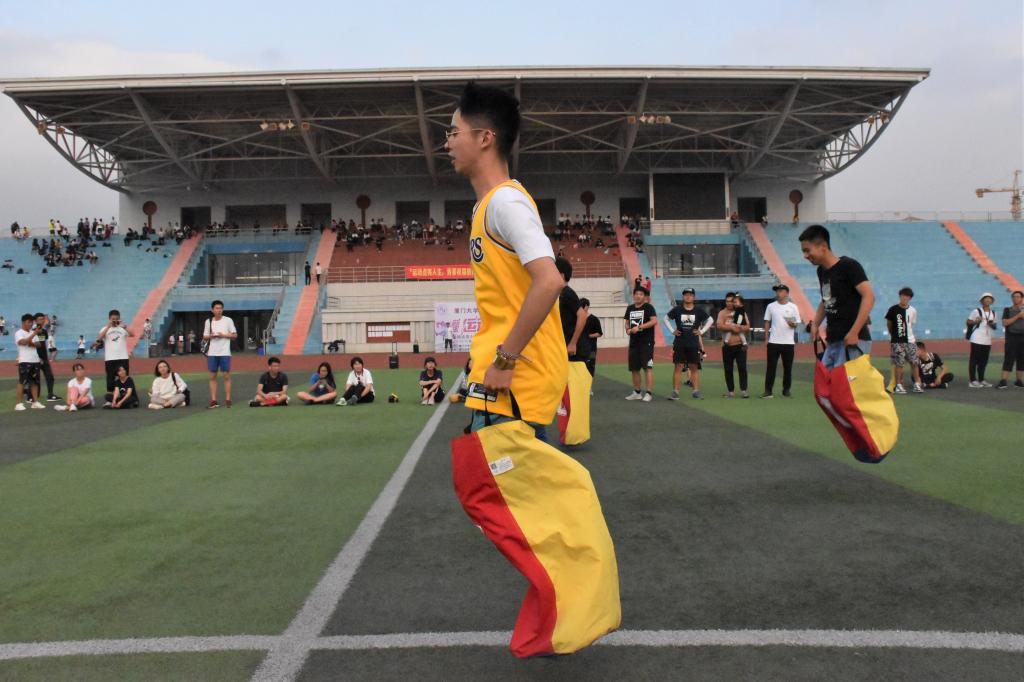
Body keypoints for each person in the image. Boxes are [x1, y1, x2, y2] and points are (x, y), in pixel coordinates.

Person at [799, 224, 875, 370]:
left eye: (807, 250)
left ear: (823, 246)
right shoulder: (821, 271)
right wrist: (815, 324)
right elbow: (826, 300)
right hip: (833, 341)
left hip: (853, 340)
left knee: (847, 384)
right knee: (825, 383)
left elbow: (869, 296)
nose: (805, 256)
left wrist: (854, 332)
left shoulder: (849, 266)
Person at [665, 287, 711, 400]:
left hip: (693, 344)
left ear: (694, 297)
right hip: (679, 343)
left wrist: (702, 331)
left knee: (693, 367)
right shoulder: (677, 309)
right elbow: (665, 319)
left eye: (690, 295)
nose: (688, 296)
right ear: (683, 296)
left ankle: (696, 391)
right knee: (678, 367)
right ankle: (675, 392)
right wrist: (672, 331)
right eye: (686, 295)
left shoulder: (698, 310)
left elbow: (710, 320)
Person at [762, 284, 801, 398]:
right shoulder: (771, 306)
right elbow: (767, 321)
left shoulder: (793, 307)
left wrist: (793, 324)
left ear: (786, 293)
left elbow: (797, 323)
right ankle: (768, 391)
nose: (778, 293)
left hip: (788, 342)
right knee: (771, 367)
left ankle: (786, 390)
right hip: (774, 341)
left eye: (780, 291)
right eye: (777, 291)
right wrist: (766, 338)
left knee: (788, 368)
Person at [885, 287, 923, 394]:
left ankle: (917, 384)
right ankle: (898, 385)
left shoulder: (913, 310)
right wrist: (893, 335)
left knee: (914, 362)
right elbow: (889, 324)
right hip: (897, 340)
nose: (904, 298)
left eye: (907, 296)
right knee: (899, 363)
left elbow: (911, 324)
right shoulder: (893, 309)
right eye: (903, 296)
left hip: (910, 340)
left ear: (910, 298)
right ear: (900, 296)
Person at [624, 286, 657, 401]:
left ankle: (648, 393)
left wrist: (639, 327)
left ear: (644, 297)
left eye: (641, 294)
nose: (638, 296)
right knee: (634, 368)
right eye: (636, 294)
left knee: (647, 368)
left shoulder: (649, 307)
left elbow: (654, 321)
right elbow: (627, 323)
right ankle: (637, 392)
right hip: (634, 343)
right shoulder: (630, 308)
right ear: (633, 295)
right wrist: (628, 330)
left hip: (646, 343)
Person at [94, 309, 133, 405]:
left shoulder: (122, 329)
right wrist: (108, 326)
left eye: (117, 318)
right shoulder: (105, 329)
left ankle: (125, 398)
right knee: (110, 379)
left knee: (124, 378)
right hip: (110, 358)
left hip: (123, 357)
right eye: (113, 319)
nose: (115, 320)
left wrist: (124, 326)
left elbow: (133, 334)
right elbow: (99, 339)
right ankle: (110, 400)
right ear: (109, 319)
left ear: (119, 318)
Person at [203, 299, 238, 408]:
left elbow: (234, 335)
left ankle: (228, 398)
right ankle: (214, 400)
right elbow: (205, 336)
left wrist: (223, 335)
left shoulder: (228, 320)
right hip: (212, 352)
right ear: (212, 310)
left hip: (224, 352)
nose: (219, 310)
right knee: (212, 376)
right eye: (217, 308)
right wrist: (211, 336)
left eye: (220, 308)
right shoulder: (208, 321)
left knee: (226, 375)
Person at [719, 293, 751, 398]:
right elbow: (719, 325)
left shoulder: (741, 311)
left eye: (731, 301)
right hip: (727, 346)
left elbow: (747, 326)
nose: (729, 303)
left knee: (742, 368)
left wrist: (740, 328)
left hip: (740, 345)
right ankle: (731, 391)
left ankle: (744, 390)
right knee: (728, 369)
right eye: (727, 301)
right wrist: (731, 328)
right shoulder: (722, 313)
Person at [555, 257, 587, 359]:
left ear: (561, 275)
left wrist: (573, 343)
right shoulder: (559, 294)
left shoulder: (567, 293)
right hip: (561, 344)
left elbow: (582, 316)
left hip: (570, 348)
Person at [966, 293, 998, 388]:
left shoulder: (993, 313)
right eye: (986, 298)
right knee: (974, 359)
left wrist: (992, 324)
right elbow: (968, 322)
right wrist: (976, 321)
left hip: (987, 339)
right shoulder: (976, 311)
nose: (988, 300)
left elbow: (995, 326)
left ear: (992, 301)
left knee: (984, 360)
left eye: (990, 299)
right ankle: (972, 380)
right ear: (982, 301)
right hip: (977, 338)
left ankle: (981, 379)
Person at [14, 314, 46, 411]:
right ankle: (18, 404)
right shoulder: (19, 333)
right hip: (24, 360)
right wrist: (33, 335)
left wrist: (30, 341)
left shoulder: (32, 332)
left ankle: (35, 402)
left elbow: (38, 344)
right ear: (23, 322)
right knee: (22, 382)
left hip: (35, 360)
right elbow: (22, 342)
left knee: (35, 382)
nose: (31, 324)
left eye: (32, 322)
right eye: (29, 322)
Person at [997, 290, 1024, 389]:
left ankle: (1019, 381)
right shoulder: (1007, 310)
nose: (1015, 298)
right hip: (1011, 337)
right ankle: (1003, 381)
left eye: (1018, 297)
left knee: (1022, 359)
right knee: (1009, 358)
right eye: (1014, 297)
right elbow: (1005, 323)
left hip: (1023, 337)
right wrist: (1018, 316)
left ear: (1022, 298)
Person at [30, 312, 60, 401]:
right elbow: (33, 345)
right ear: (35, 321)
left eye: (43, 319)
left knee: (50, 376)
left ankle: (50, 395)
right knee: (35, 378)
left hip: (44, 357)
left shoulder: (43, 331)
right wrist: (38, 357)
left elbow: (42, 343)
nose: (42, 321)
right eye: (40, 319)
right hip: (35, 358)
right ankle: (33, 396)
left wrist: (44, 357)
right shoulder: (32, 331)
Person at [577, 298, 603, 378]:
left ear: (587, 306)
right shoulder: (577, 319)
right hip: (579, 347)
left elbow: (599, 333)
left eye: (582, 307)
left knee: (591, 365)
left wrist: (589, 336)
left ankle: (590, 383)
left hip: (592, 348)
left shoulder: (594, 319)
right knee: (580, 365)